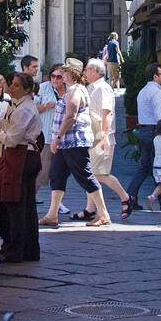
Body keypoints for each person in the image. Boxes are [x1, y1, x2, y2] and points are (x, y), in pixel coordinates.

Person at [38, 60, 109, 227]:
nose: (61, 74)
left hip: (73, 141)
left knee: (84, 175)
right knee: (57, 175)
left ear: (72, 74)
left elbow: (70, 116)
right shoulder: (73, 90)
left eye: (64, 72)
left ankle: (103, 213)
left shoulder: (75, 91)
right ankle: (52, 214)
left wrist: (57, 137)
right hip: (66, 142)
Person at [0, 71, 42, 263]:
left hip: (22, 155)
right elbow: (5, 122)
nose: (12, 87)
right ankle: (20, 247)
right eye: (12, 84)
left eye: (16, 85)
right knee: (14, 201)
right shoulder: (16, 105)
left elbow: (13, 139)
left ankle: (18, 248)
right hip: (17, 154)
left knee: (16, 203)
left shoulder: (25, 109)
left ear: (25, 89)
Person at [84, 59, 131, 221]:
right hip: (93, 136)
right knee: (91, 172)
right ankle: (90, 209)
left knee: (100, 173)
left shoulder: (102, 88)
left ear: (95, 71)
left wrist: (104, 136)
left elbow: (107, 112)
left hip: (101, 137)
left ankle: (125, 197)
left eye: (87, 69)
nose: (84, 72)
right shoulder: (91, 87)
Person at [127, 62, 161, 213]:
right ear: (155, 76)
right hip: (155, 131)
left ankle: (130, 196)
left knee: (145, 166)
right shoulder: (156, 92)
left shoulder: (143, 91)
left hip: (145, 130)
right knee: (160, 166)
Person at [35, 64, 62, 194]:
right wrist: (46, 106)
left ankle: (57, 202)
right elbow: (33, 109)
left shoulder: (69, 90)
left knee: (60, 172)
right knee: (43, 171)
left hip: (65, 137)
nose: (55, 79)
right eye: (52, 76)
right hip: (47, 136)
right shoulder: (43, 88)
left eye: (58, 77)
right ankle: (31, 200)